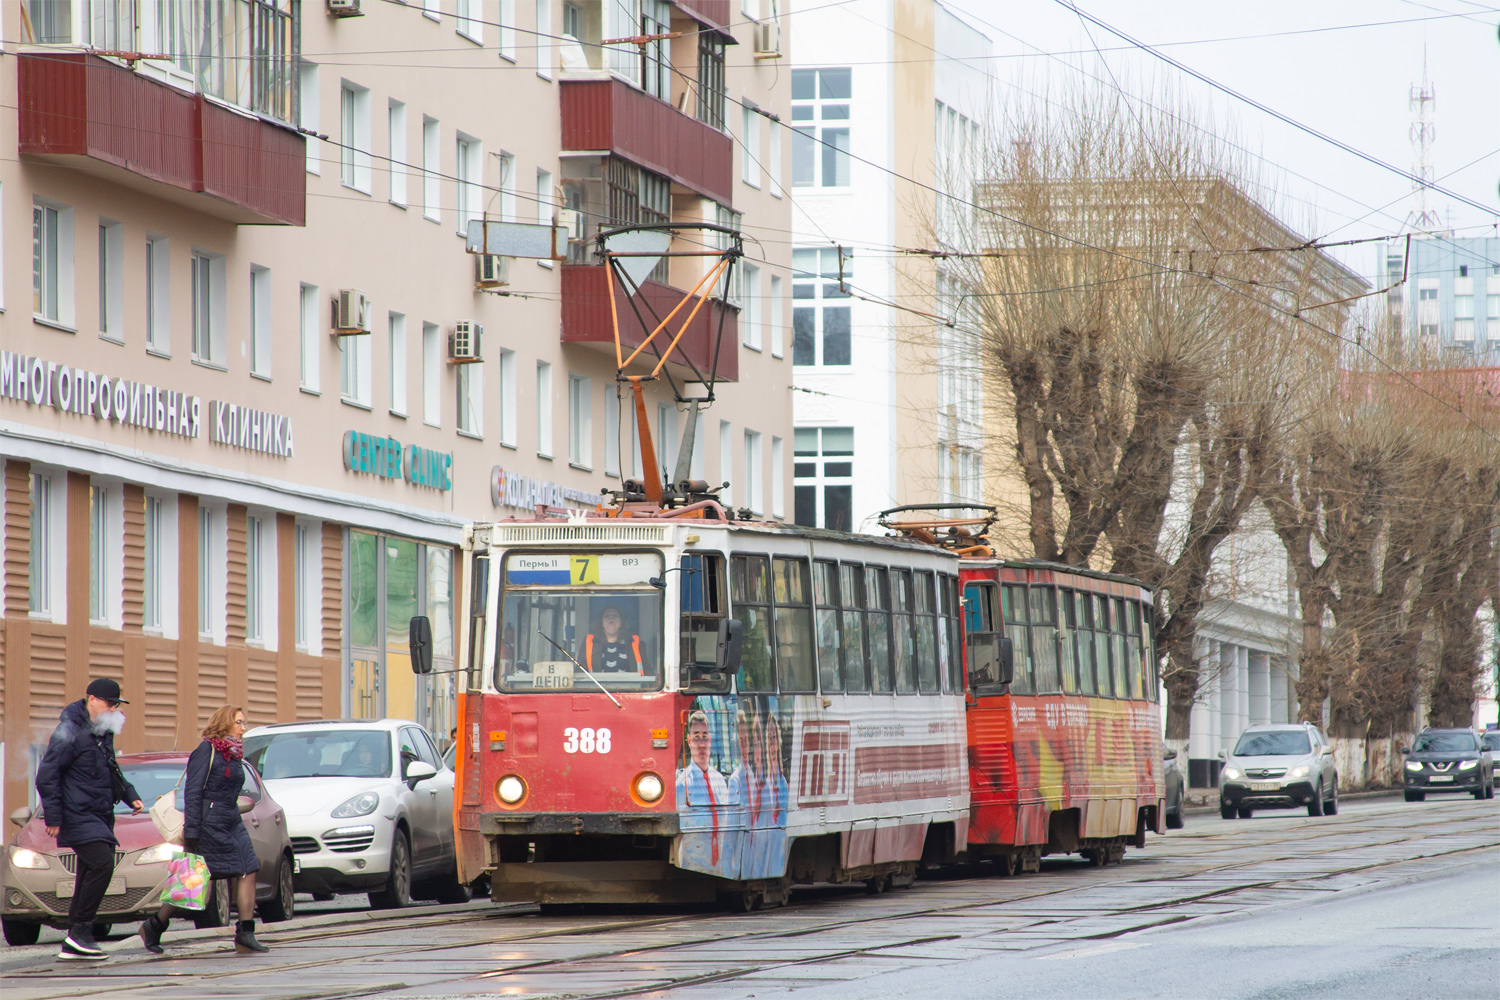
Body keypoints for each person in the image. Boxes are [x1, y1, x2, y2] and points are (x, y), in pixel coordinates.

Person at [138, 706, 268, 956]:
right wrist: (193, 830)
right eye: (239, 723)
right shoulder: (206, 750)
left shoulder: (235, 754)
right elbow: (193, 791)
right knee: (191, 879)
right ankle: (154, 926)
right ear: (225, 724)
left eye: (244, 723)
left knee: (248, 868)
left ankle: (245, 933)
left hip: (231, 821)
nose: (244, 728)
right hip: (208, 824)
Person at [35, 678, 143, 961]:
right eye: (110, 703)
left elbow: (110, 766)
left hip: (98, 812)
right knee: (101, 863)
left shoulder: (100, 732)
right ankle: (80, 932)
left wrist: (129, 794)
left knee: (94, 864)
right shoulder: (69, 731)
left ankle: (76, 936)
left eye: (117, 704)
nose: (114, 709)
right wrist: (54, 816)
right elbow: (47, 776)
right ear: (92, 699)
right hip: (77, 813)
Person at [674, 711, 729, 873]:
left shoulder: (719, 781)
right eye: (696, 737)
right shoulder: (682, 785)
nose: (702, 744)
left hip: (720, 864)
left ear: (710, 740)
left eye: (705, 736)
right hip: (693, 865)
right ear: (689, 741)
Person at [582, 605, 645, 674]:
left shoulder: (633, 642)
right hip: (597, 685)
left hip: (629, 685)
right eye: (607, 616)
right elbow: (580, 670)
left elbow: (647, 670)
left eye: (615, 616)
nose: (611, 618)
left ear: (621, 623)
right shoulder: (590, 643)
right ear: (602, 623)